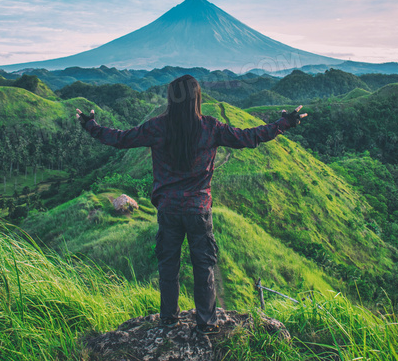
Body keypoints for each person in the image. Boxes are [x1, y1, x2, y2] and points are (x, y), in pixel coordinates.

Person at [76, 74, 306, 334]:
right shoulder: (210, 127)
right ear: (197, 99)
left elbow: (120, 138)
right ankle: (207, 323)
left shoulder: (157, 127)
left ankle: (168, 319)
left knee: (168, 265)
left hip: (169, 209)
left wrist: (90, 126)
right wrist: (283, 124)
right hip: (198, 210)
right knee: (204, 265)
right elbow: (249, 137)